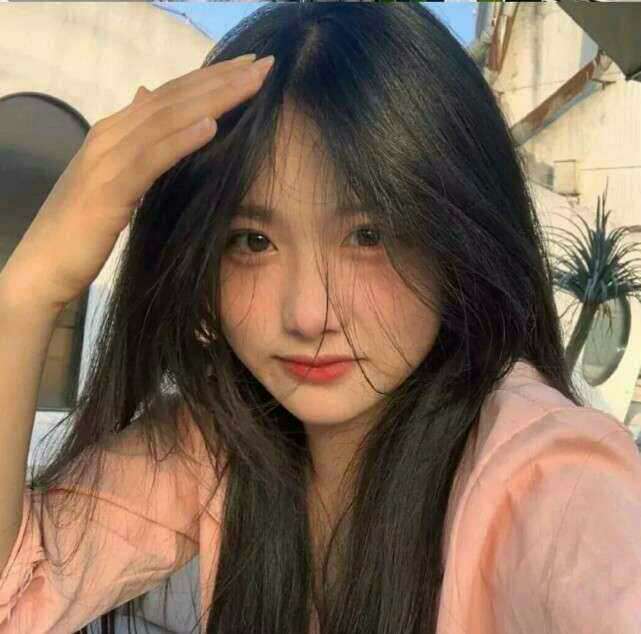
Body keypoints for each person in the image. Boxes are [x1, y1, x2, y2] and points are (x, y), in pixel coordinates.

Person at [1, 3, 640, 633]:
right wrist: (28, 291)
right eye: (253, 242)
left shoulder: (547, 480)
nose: (308, 315)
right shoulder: (221, 440)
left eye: (368, 235)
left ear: (457, 236)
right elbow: (18, 590)